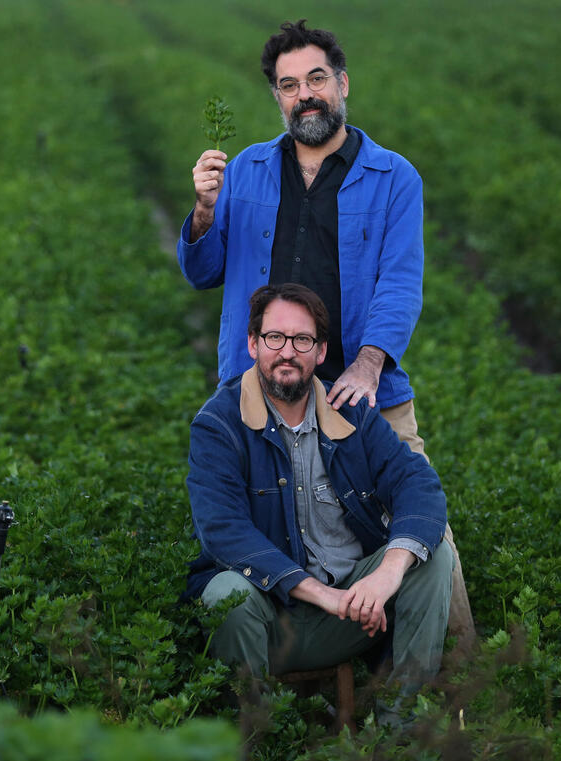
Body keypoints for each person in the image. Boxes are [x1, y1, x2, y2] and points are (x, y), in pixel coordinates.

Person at [178, 19, 476, 650]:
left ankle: (463, 678)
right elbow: (204, 271)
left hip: (360, 392)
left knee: (424, 528)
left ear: (342, 84)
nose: (304, 94)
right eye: (289, 85)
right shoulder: (249, 172)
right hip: (265, 388)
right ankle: (287, 664)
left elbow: (400, 284)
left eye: (316, 79)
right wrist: (205, 210)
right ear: (278, 98)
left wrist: (367, 367)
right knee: (263, 524)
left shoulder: (394, 177)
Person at [185, 284, 453, 712]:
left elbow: (418, 485)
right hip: (269, 618)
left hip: (352, 614)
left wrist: (387, 572)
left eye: (302, 340)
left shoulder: (352, 413)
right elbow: (223, 531)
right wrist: (315, 591)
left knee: (432, 556)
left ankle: (403, 728)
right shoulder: (219, 423)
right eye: (275, 337)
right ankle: (259, 733)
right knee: (225, 592)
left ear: (321, 351)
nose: (287, 351)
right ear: (253, 344)